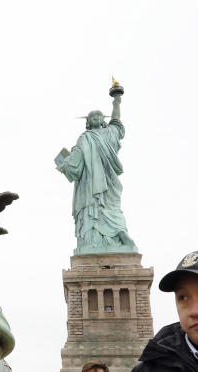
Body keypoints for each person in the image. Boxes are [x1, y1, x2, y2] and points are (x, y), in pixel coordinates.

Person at [55, 84, 137, 255]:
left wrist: (117, 101)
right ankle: (99, 239)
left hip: (107, 180)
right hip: (90, 181)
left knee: (110, 207)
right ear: (87, 122)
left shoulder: (109, 133)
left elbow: (116, 121)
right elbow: (75, 164)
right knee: (97, 208)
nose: (96, 118)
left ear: (102, 120)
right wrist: (66, 165)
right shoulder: (84, 138)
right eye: (92, 117)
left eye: (98, 116)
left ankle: (120, 233)